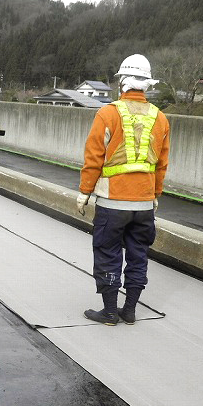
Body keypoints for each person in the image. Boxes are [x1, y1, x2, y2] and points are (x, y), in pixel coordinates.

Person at [77, 53, 170, 326]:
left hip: (112, 202)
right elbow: (162, 163)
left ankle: (108, 311)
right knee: (138, 255)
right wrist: (155, 196)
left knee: (108, 253)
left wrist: (84, 191)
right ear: (147, 84)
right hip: (143, 205)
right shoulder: (161, 118)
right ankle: (129, 310)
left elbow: (94, 157)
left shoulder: (108, 113)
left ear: (122, 83)